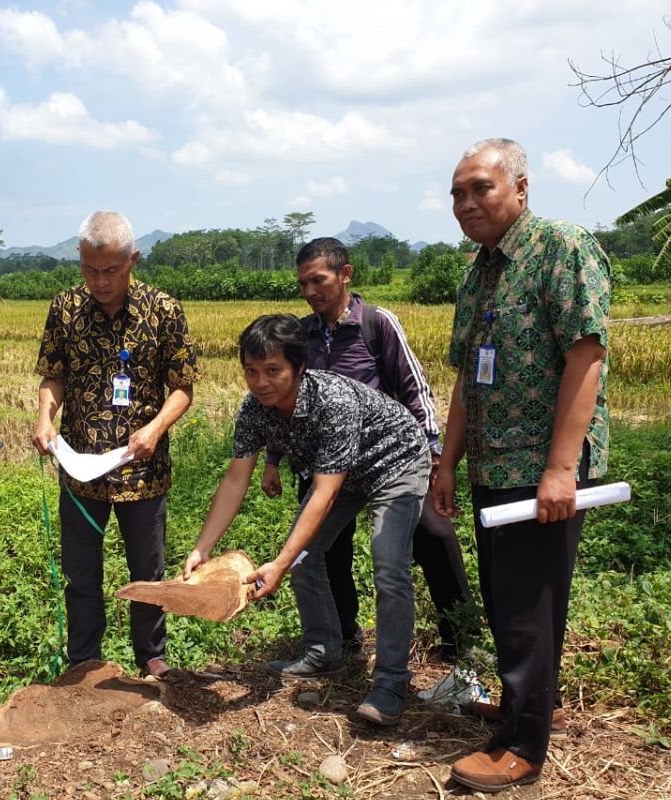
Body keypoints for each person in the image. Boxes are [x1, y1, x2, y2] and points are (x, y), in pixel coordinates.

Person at [432, 138, 610, 792]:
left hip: (541, 471)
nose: (466, 202)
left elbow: (585, 358)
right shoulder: (477, 272)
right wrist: (447, 462)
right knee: (508, 601)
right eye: (457, 192)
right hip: (491, 467)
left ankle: (522, 747)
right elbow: (464, 380)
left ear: (521, 189)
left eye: (480, 187)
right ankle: (519, 705)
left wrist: (562, 470)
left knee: (530, 609)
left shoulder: (560, 249)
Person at [184, 314, 431, 725]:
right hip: (341, 474)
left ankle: (390, 681)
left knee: (388, 565)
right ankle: (324, 651)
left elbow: (324, 492)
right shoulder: (254, 410)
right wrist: (201, 547)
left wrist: (279, 562)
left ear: (300, 367)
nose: (260, 382)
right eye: (251, 371)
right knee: (305, 559)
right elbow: (234, 480)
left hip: (395, 463)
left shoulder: (332, 400)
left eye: (273, 371)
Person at [261, 237, 473, 660]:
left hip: (389, 460)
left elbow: (416, 391)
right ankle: (342, 637)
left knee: (433, 534)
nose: (309, 291)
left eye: (317, 280)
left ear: (345, 274)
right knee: (320, 550)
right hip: (328, 466)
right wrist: (273, 459)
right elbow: (285, 399)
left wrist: (433, 456)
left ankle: (461, 638)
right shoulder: (300, 335)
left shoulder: (377, 324)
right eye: (302, 283)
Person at [32, 210, 200, 678]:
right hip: (81, 467)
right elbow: (54, 375)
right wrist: (46, 417)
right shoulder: (66, 307)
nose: (99, 281)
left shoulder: (163, 310)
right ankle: (84, 661)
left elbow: (183, 386)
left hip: (140, 468)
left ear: (133, 260)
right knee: (81, 574)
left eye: (110, 270)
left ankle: (152, 657)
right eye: (89, 269)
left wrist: (155, 429)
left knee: (146, 572)